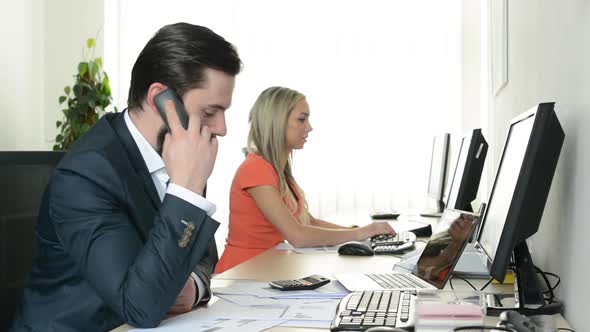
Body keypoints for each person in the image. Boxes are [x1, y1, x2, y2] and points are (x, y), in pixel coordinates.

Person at [10, 23, 242, 331]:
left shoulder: (180, 152)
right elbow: (141, 307)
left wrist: (194, 287)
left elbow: (201, 252)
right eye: (210, 111)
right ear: (161, 98)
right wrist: (186, 189)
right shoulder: (86, 175)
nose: (222, 128)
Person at [215, 86, 395, 273]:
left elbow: (308, 222)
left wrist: (361, 234)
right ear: (277, 123)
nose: (309, 127)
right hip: (242, 274)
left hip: (265, 267)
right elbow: (297, 235)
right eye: (301, 119)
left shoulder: (279, 171)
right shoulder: (255, 169)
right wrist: (362, 232)